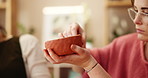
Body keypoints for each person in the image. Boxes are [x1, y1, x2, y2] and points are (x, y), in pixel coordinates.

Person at [43, 0, 148, 78]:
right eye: (136, 10)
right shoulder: (123, 44)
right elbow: (79, 68)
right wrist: (75, 46)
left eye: (146, 12)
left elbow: (87, 63)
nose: (136, 20)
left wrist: (89, 64)